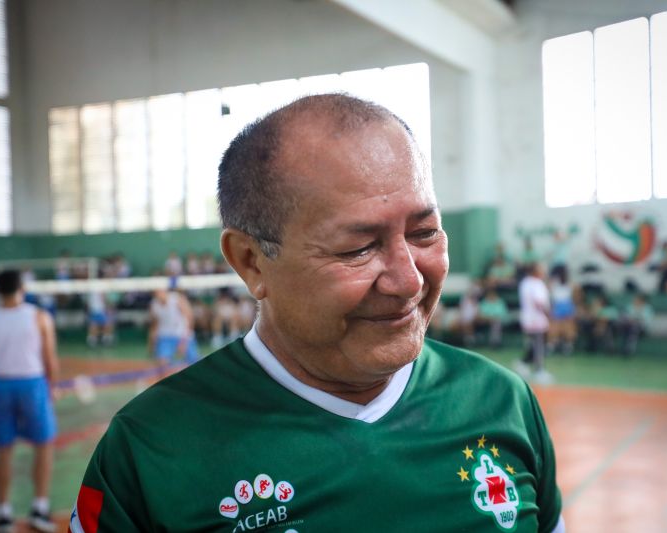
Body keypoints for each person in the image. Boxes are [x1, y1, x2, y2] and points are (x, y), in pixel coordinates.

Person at [70, 94, 564, 532]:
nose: (409, 279)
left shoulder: (503, 402)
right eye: (359, 248)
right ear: (250, 262)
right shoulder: (150, 450)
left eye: (424, 233)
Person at [0, 270, 59, 533]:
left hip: (0, 385)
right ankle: (40, 509)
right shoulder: (39, 317)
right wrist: (51, 387)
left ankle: (3, 515)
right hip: (32, 384)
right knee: (43, 446)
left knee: (3, 450)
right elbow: (49, 359)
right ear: (21, 287)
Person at [516, 263, 553, 383]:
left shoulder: (525, 282)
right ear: (535, 271)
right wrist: (549, 314)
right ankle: (539, 371)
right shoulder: (537, 283)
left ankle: (522, 363)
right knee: (538, 344)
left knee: (535, 344)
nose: (543, 272)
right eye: (541, 270)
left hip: (528, 317)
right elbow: (539, 302)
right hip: (536, 318)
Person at [148, 285, 198, 367]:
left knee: (193, 361)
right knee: (162, 364)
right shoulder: (154, 304)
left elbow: (190, 318)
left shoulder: (177, 299)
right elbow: (154, 326)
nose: (158, 293)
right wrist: (152, 343)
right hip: (165, 337)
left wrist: (184, 341)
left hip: (182, 334)